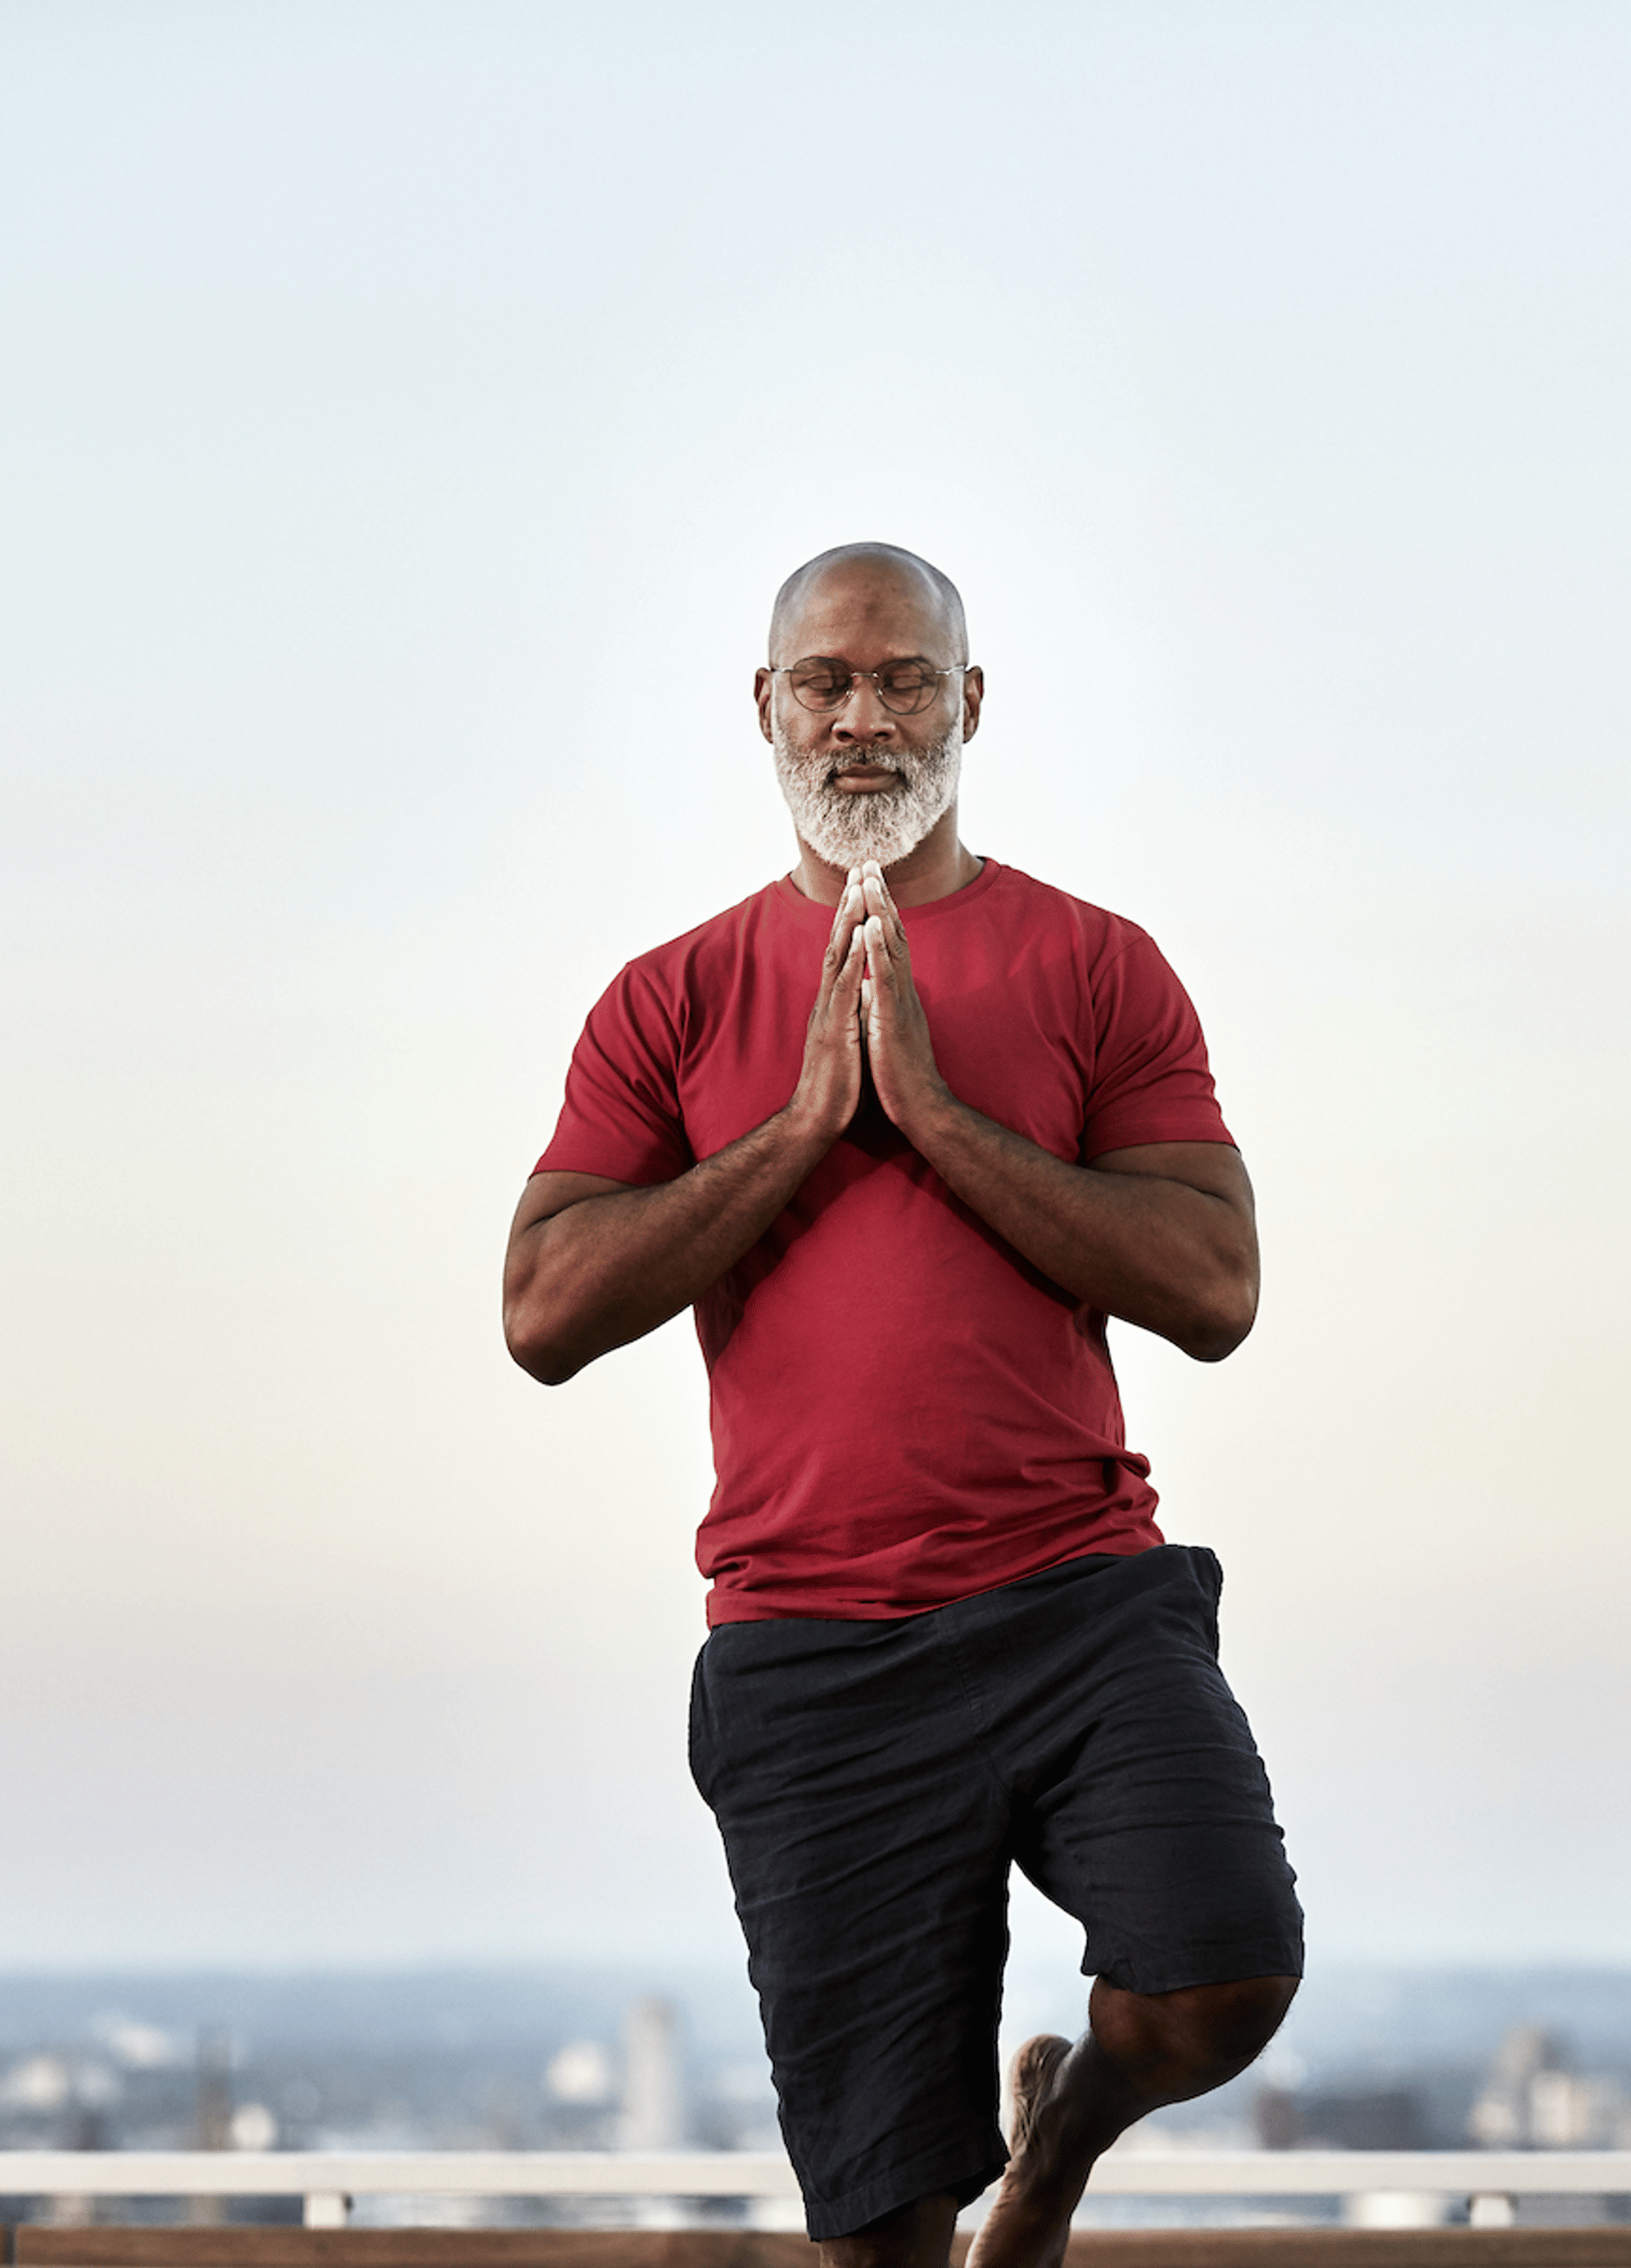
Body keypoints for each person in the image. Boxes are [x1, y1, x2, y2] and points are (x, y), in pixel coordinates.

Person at [503, 542, 1302, 2268]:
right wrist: (797, 1128)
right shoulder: (672, 996)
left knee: (1224, 1964)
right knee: (878, 2235)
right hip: (812, 1646)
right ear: (768, 707)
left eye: (905, 678)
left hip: (1079, 1593)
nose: (865, 717)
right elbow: (544, 1309)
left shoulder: (1097, 966)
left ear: (971, 702)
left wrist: (935, 1116)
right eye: (828, 681)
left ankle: (1063, 2128)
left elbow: (1217, 1285)